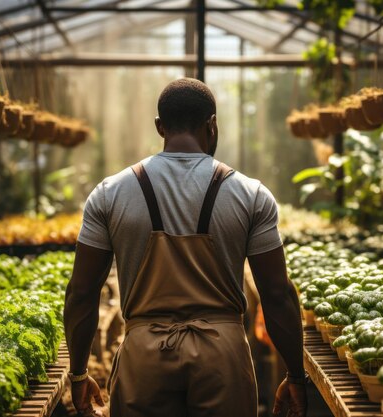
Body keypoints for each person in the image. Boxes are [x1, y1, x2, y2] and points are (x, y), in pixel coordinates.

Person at [64, 78, 307, 417]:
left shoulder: (110, 193)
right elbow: (278, 293)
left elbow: (81, 292)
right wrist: (296, 375)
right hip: (222, 359)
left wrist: (78, 373)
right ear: (213, 125)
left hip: (144, 359)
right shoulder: (251, 195)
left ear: (160, 127)